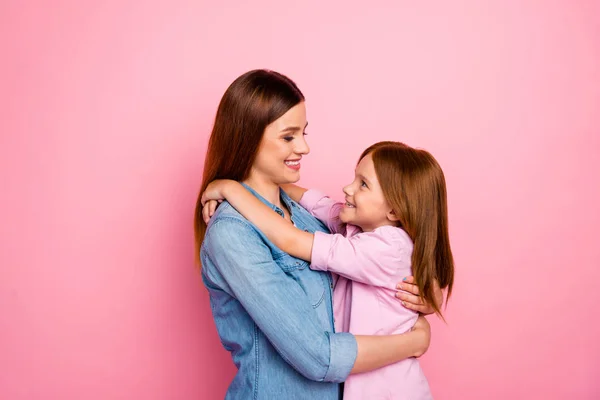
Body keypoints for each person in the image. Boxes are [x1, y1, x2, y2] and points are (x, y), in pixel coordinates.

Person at [194, 69, 442, 399]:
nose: (305, 147)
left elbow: (372, 272)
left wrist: (427, 296)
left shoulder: (307, 219)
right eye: (289, 136)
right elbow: (317, 357)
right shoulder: (232, 234)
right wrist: (412, 342)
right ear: (249, 138)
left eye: (304, 133)